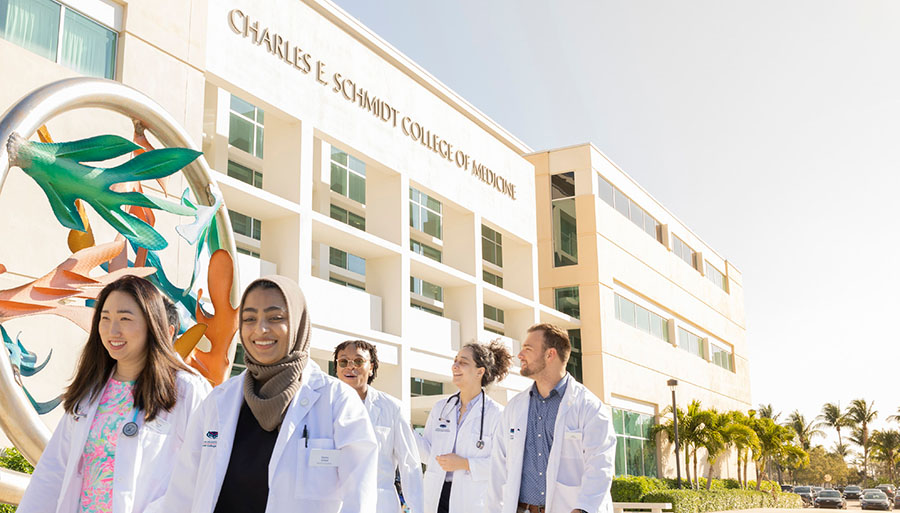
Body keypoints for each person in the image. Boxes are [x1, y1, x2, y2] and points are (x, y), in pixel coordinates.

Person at [153, 276, 378, 513]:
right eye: (249, 318)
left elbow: (359, 498)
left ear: (298, 323)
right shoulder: (219, 401)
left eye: (275, 318)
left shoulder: (337, 401)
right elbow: (182, 492)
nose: (260, 329)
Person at [17, 275, 211, 513]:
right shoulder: (90, 390)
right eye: (105, 319)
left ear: (153, 324)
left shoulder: (186, 390)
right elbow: (53, 470)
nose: (113, 330)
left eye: (125, 319)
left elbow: (200, 473)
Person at [489, 323, 617, 513]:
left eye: (527, 349)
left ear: (550, 354)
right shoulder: (515, 407)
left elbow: (600, 466)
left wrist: (583, 509)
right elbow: (498, 467)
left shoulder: (590, 407)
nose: (520, 355)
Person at [333, 339, 425, 513]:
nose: (350, 367)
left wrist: (417, 509)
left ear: (371, 367)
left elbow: (410, 465)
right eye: (343, 362)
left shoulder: (393, 408)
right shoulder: (325, 406)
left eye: (359, 361)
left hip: (380, 504)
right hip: (337, 504)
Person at [419, 340, 511, 513]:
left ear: (480, 372)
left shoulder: (497, 414)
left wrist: (465, 464)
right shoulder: (441, 407)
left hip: (472, 500)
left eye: (463, 362)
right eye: (455, 361)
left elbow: (504, 466)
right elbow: (428, 454)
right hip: (436, 497)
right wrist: (405, 430)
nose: (455, 366)